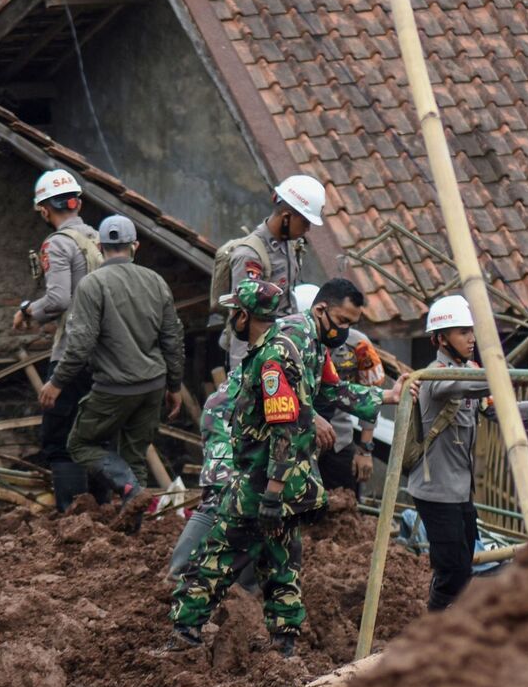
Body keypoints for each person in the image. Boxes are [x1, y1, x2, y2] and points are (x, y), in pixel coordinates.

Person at [169, 279, 407, 656]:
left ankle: (185, 633)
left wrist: (273, 492)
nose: (344, 331)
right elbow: (320, 399)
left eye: (349, 322)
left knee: (216, 557)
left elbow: (291, 421)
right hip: (288, 477)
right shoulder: (299, 342)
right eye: (342, 321)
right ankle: (284, 645)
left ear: (245, 317)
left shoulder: (284, 349)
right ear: (320, 311)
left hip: (266, 477)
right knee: (281, 562)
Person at [407, 294, 528, 612]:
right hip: (434, 490)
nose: (471, 338)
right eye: (461, 332)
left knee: (463, 565)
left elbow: (492, 406)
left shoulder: (469, 370)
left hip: (459, 490)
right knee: (452, 570)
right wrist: (522, 374)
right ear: (441, 339)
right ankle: (435, 627)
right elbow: (474, 385)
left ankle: (446, 620)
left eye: (471, 331)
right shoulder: (436, 376)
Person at [38, 215, 185, 529]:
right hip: (153, 386)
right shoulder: (156, 281)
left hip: (114, 388)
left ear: (101, 247)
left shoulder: (93, 285)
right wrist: (174, 385)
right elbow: (172, 337)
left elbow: (79, 344)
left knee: (79, 444)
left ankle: (128, 488)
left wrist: (57, 382)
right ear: (135, 246)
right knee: (135, 455)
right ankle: (133, 528)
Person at [13, 169, 103, 510]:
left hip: (72, 355)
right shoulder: (99, 238)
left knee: (59, 439)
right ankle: (104, 511)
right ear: (77, 202)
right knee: (97, 436)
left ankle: (74, 517)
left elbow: (58, 300)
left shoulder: (58, 244)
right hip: (107, 354)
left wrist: (26, 311)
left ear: (44, 210)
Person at [217, 175, 326, 368]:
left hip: (280, 347)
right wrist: (242, 373)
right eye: (305, 222)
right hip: (256, 356)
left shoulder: (289, 246)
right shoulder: (250, 255)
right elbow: (243, 319)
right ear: (286, 217)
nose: (308, 228)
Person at [165, 369, 255, 592]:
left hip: (252, 421)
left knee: (261, 502)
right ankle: (179, 576)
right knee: (220, 495)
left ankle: (244, 588)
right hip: (229, 416)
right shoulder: (297, 341)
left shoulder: (319, 354)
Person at [293, 282, 385, 493]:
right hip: (296, 440)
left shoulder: (358, 345)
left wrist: (365, 449)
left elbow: (367, 393)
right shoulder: (289, 340)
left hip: (338, 439)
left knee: (343, 508)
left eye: (348, 322)